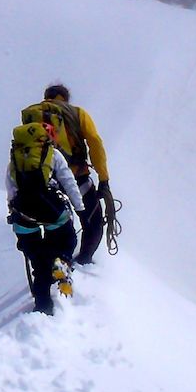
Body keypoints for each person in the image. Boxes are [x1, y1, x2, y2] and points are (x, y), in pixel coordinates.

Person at [23, 83, 116, 264]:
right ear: (65, 98)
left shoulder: (31, 116)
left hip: (42, 181)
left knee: (55, 223)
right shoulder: (77, 113)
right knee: (93, 221)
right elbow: (95, 142)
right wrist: (103, 179)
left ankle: (53, 264)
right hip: (76, 176)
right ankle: (84, 260)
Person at [6, 119, 86, 315]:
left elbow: (10, 190)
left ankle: (42, 307)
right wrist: (80, 207)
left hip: (23, 216)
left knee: (37, 262)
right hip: (52, 210)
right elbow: (68, 181)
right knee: (68, 239)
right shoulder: (54, 154)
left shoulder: (15, 160)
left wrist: (14, 214)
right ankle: (62, 262)